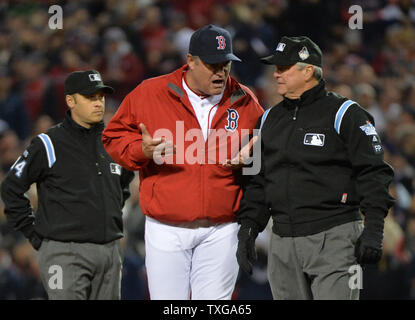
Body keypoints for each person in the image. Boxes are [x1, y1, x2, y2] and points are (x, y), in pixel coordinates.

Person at [102, 24, 264, 300]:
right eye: (213, 65)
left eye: (226, 64)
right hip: (166, 227)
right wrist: (141, 150)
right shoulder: (150, 93)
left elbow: (261, 153)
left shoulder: (244, 99)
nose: (221, 72)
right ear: (190, 61)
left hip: (222, 228)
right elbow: (113, 137)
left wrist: (251, 161)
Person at [235, 36, 395, 300]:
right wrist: (248, 229)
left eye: (284, 68)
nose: (276, 75)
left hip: (335, 237)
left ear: (308, 70)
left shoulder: (345, 114)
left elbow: (374, 173)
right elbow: (257, 183)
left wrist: (375, 228)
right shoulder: (267, 120)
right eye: (275, 68)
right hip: (283, 240)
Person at [1, 70, 134, 300]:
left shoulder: (113, 142)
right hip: (64, 252)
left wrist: (111, 217)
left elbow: (123, 182)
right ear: (70, 101)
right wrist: (34, 234)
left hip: (110, 251)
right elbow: (11, 187)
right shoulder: (48, 143)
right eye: (90, 97)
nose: (98, 103)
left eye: (100, 97)